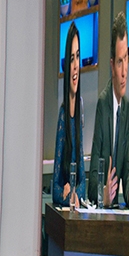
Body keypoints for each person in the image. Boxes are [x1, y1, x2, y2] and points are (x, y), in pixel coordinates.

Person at [89, 12, 129, 208]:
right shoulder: (103, 104)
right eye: (119, 62)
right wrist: (103, 195)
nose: (124, 72)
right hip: (101, 211)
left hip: (117, 211)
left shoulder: (127, 108)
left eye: (126, 60)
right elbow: (92, 181)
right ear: (112, 65)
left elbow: (127, 170)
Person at [49, 25, 86, 208]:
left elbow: (83, 181)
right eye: (72, 59)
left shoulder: (79, 112)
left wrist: (75, 194)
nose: (75, 66)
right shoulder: (63, 116)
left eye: (78, 57)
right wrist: (66, 196)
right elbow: (54, 188)